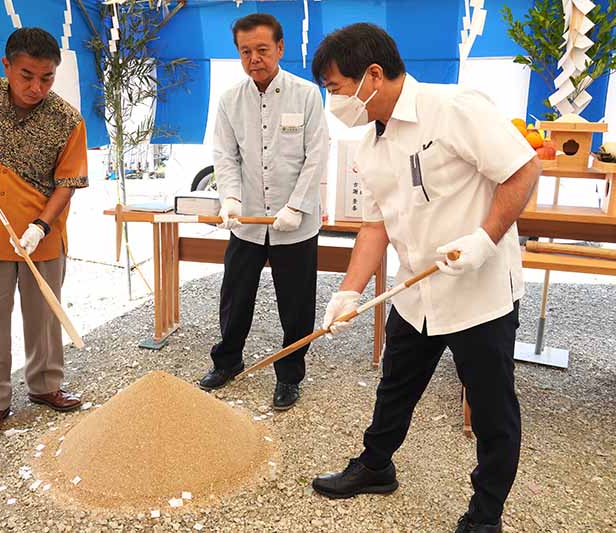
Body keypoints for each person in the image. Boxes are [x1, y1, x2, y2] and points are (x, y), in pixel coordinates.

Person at [309, 23, 541, 533]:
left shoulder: (454, 108)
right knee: (395, 386)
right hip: (416, 291)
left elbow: (522, 170)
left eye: (335, 88)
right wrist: (348, 291)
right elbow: (376, 224)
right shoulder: (370, 144)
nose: (335, 101)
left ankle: (486, 516)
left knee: (491, 410)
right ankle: (376, 466)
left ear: (373, 74)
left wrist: (486, 236)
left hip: (479, 295)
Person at [0, 27, 88, 440]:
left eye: (46, 78)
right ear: (6, 66)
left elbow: (69, 181)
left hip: (41, 232)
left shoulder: (67, 120)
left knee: (44, 316)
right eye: (26, 75)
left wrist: (40, 226)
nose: (36, 87)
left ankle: (45, 386)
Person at [198, 14, 329, 411]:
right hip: (248, 222)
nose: (254, 58)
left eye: (262, 50)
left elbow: (317, 156)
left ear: (281, 49)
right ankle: (227, 361)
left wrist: (296, 207)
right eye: (245, 51)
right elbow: (225, 155)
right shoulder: (229, 100)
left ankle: (290, 375)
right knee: (235, 296)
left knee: (296, 303)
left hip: (295, 223)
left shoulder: (306, 94)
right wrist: (231, 200)